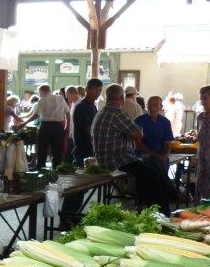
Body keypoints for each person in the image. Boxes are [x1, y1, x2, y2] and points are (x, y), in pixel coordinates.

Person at [92, 84, 173, 214]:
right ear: (121, 98)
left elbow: (133, 135)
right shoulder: (117, 113)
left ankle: (145, 206)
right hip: (116, 159)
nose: (152, 108)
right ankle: (161, 213)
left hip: (104, 158)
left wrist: (129, 135)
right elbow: (138, 135)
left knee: (153, 167)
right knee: (154, 174)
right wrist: (130, 135)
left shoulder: (102, 111)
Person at [19, 83, 70, 169]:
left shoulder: (41, 100)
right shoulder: (60, 98)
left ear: (43, 91)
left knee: (42, 150)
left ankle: (41, 169)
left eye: (39, 92)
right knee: (57, 150)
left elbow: (35, 115)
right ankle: (57, 170)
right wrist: (67, 126)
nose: (39, 94)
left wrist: (24, 123)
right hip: (58, 126)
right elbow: (67, 113)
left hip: (46, 126)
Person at [135, 95, 174, 166]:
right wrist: (154, 155)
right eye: (150, 105)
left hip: (161, 158)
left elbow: (168, 143)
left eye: (155, 105)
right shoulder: (139, 121)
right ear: (147, 106)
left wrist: (164, 156)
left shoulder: (165, 122)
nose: (152, 107)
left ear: (161, 107)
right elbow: (137, 143)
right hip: (143, 158)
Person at [72, 78, 101, 165]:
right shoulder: (81, 107)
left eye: (100, 90)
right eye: (95, 89)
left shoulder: (93, 106)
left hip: (91, 148)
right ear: (87, 89)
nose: (98, 93)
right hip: (83, 150)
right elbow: (89, 129)